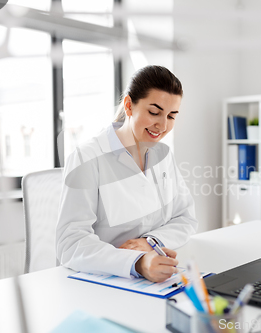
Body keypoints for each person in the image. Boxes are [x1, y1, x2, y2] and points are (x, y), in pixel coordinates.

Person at [56, 65, 198, 283]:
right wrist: (137, 262)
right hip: (104, 281)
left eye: (171, 116)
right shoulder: (87, 157)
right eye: (154, 112)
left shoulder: (163, 155)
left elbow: (185, 218)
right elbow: (71, 243)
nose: (162, 125)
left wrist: (150, 242)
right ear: (129, 105)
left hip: (156, 277)